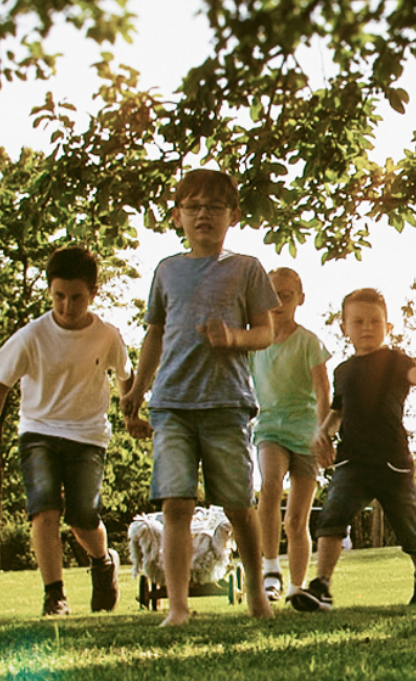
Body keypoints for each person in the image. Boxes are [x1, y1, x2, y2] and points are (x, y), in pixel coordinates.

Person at [120, 169, 280, 625]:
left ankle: (256, 594)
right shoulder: (166, 270)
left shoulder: (246, 268)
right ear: (177, 216)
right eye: (193, 207)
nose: (203, 215)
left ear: (234, 215)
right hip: (171, 403)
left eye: (213, 207)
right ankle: (177, 606)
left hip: (226, 402)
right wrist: (137, 388)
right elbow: (154, 334)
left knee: (238, 505)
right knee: (175, 503)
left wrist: (231, 337)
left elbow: (266, 332)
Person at [0, 245, 129, 616]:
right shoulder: (31, 336)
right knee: (43, 508)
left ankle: (102, 560)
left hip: (88, 436)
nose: (66, 306)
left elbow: (126, 377)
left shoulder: (107, 335)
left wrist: (132, 413)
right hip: (38, 431)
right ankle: (54, 595)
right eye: (59, 296)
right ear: (50, 292)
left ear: (93, 294)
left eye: (77, 297)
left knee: (82, 516)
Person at [289, 287, 416, 613]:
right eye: (358, 321)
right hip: (352, 461)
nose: (367, 327)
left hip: (393, 463)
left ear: (388, 326)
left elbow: (414, 374)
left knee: (409, 531)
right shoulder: (343, 371)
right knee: (332, 517)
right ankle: (322, 587)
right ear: (345, 328)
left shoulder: (396, 360)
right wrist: (323, 432)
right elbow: (338, 411)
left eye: (375, 321)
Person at [251, 267, 333, 602]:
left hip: (307, 435)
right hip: (270, 428)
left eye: (287, 295)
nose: (279, 302)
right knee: (270, 484)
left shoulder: (309, 342)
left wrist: (325, 434)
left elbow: (322, 390)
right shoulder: (254, 341)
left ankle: (297, 589)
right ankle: (270, 568)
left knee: (297, 521)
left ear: (300, 299)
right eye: (273, 295)